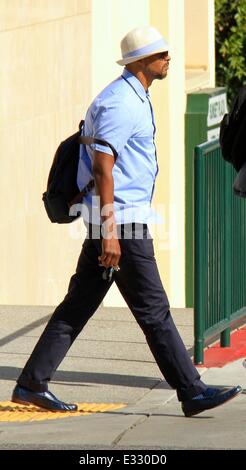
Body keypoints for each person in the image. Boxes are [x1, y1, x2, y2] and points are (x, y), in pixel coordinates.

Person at [12, 26, 241, 417]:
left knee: (77, 307)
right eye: (161, 54)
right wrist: (110, 234)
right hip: (122, 226)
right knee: (155, 312)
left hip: (116, 223)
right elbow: (104, 168)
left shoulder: (131, 96)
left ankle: (33, 382)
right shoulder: (121, 103)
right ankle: (192, 390)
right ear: (140, 62)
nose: (168, 58)